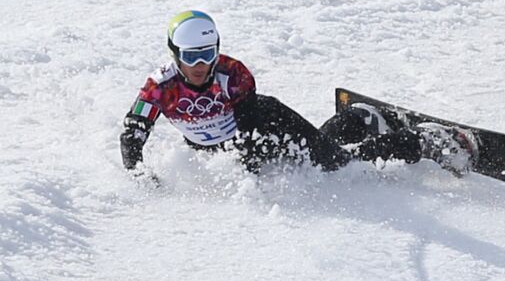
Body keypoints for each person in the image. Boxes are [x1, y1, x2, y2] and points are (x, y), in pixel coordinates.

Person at [119, 10, 474, 176]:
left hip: (270, 123)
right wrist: (137, 173)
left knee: (338, 167)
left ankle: (424, 142)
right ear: (174, 53)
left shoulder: (233, 74)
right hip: (232, 143)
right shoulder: (159, 87)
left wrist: (253, 172)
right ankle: (357, 119)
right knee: (321, 157)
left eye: (207, 54)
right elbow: (133, 132)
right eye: (191, 56)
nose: (200, 64)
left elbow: (251, 128)